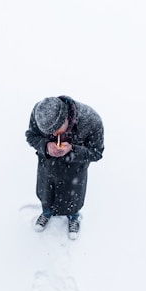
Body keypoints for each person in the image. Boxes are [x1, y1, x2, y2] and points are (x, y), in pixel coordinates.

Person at [25, 95, 104, 240]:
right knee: (46, 196)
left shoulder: (91, 120)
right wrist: (45, 145)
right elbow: (31, 136)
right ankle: (46, 213)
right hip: (47, 167)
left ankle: (73, 218)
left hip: (75, 172)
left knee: (73, 200)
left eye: (56, 130)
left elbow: (97, 153)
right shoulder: (39, 112)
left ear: (66, 117)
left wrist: (73, 150)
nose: (54, 135)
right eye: (49, 132)